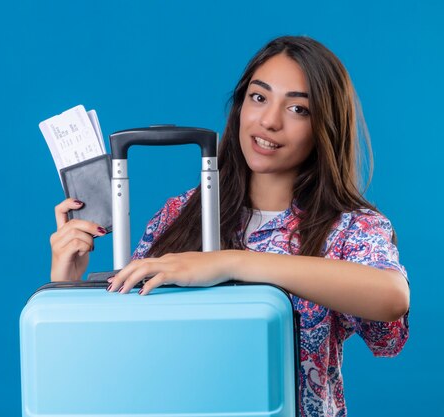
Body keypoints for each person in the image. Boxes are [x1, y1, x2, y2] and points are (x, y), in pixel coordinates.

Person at [50, 35, 410, 417]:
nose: (269, 121)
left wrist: (229, 263)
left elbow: (391, 297)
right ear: (239, 105)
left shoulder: (349, 228)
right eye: (259, 98)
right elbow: (119, 354)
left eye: (298, 109)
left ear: (325, 125)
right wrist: (65, 284)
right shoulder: (179, 214)